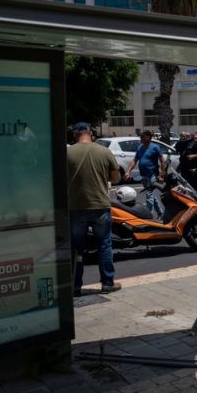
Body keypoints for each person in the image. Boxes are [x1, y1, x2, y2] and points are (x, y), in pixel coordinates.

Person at [67, 122, 121, 296]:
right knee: (104, 245)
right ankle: (107, 283)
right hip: (100, 205)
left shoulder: (67, 153)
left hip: (76, 207)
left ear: (74, 135)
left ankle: (75, 286)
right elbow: (116, 178)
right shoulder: (104, 152)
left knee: (76, 248)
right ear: (90, 133)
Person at [124, 130, 166, 218]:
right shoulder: (140, 147)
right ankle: (160, 213)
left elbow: (162, 161)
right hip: (143, 175)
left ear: (149, 137)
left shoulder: (155, 147)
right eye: (141, 137)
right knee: (150, 193)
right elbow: (135, 160)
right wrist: (128, 172)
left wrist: (161, 175)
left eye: (143, 137)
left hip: (152, 174)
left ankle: (148, 215)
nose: (141, 139)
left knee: (149, 194)